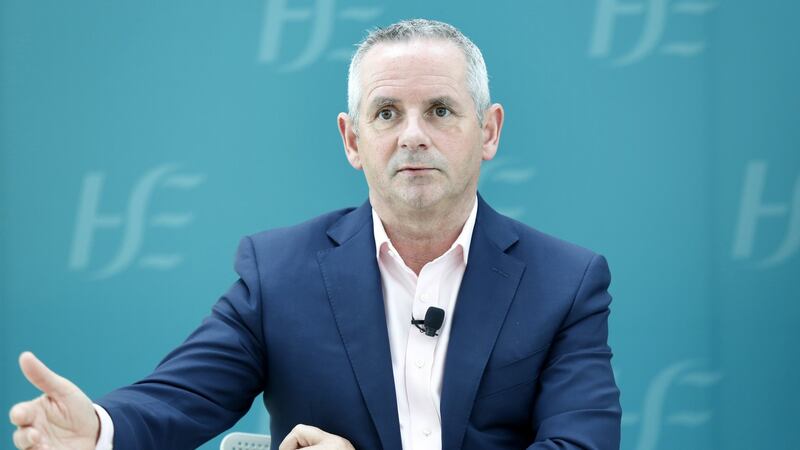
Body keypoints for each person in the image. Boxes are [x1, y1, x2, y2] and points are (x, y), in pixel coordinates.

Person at [9, 19, 621, 450]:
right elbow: (180, 398)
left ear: (488, 131)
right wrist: (93, 430)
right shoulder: (278, 274)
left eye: (439, 110)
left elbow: (581, 443)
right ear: (352, 140)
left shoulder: (566, 282)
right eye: (386, 113)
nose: (412, 135)